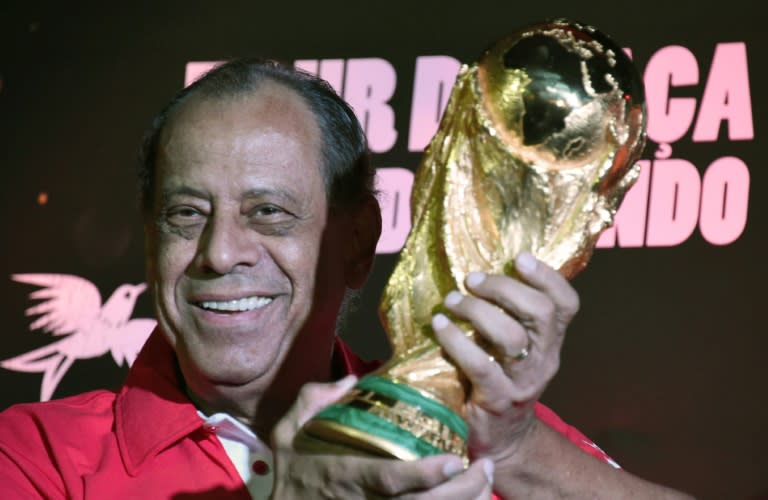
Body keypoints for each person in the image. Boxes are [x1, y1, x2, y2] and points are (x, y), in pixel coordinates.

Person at [0, 58, 693, 499]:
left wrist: (512, 449)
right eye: (187, 214)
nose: (219, 253)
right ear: (151, 242)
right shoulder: (34, 460)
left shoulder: (466, 420)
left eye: (269, 212)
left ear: (358, 244)